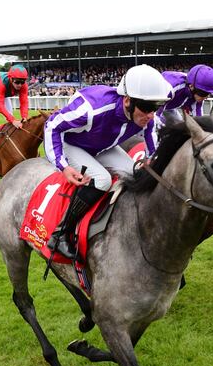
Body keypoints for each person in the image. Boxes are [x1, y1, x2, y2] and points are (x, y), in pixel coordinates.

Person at [43, 64, 172, 259]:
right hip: (73, 144)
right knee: (102, 180)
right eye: (146, 108)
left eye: (156, 108)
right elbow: (52, 126)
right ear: (127, 100)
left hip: (102, 146)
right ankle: (60, 234)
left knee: (137, 176)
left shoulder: (147, 115)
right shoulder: (92, 109)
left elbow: (152, 143)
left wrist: (152, 161)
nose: (151, 115)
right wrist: (63, 166)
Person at [145, 64, 213, 154]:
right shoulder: (173, 87)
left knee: (180, 129)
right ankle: (152, 155)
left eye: (208, 94)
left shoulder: (197, 92)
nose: (206, 97)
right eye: (204, 93)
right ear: (191, 86)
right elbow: (156, 115)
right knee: (156, 127)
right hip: (155, 103)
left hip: (170, 106)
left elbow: (198, 121)